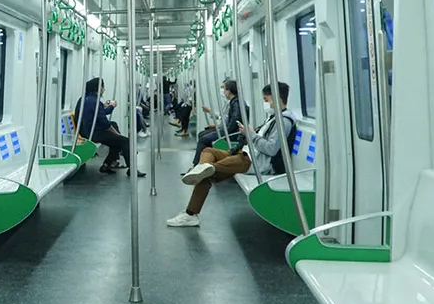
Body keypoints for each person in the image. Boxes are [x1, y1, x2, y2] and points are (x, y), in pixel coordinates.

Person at [166, 82, 296, 228]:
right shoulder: (273, 118)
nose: (264, 103)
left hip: (256, 162)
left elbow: (271, 149)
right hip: (247, 153)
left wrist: (251, 135)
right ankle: (201, 169)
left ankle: (190, 213)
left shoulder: (283, 122)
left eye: (266, 99)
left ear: (277, 98)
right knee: (208, 151)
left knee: (207, 173)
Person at [74, 77, 147, 176]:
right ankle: (132, 169)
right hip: (93, 133)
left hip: (84, 130)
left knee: (114, 126)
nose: (104, 89)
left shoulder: (83, 99)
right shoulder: (95, 102)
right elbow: (104, 123)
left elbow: (99, 113)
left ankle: (107, 164)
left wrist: (110, 106)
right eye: (103, 87)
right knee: (124, 141)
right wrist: (117, 134)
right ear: (99, 88)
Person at [190, 80, 246, 167]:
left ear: (229, 91)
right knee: (202, 135)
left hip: (230, 134)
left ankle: (197, 165)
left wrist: (223, 131)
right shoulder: (234, 102)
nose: (223, 91)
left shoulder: (236, 104)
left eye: (224, 89)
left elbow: (232, 123)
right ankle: (204, 162)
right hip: (226, 130)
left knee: (203, 139)